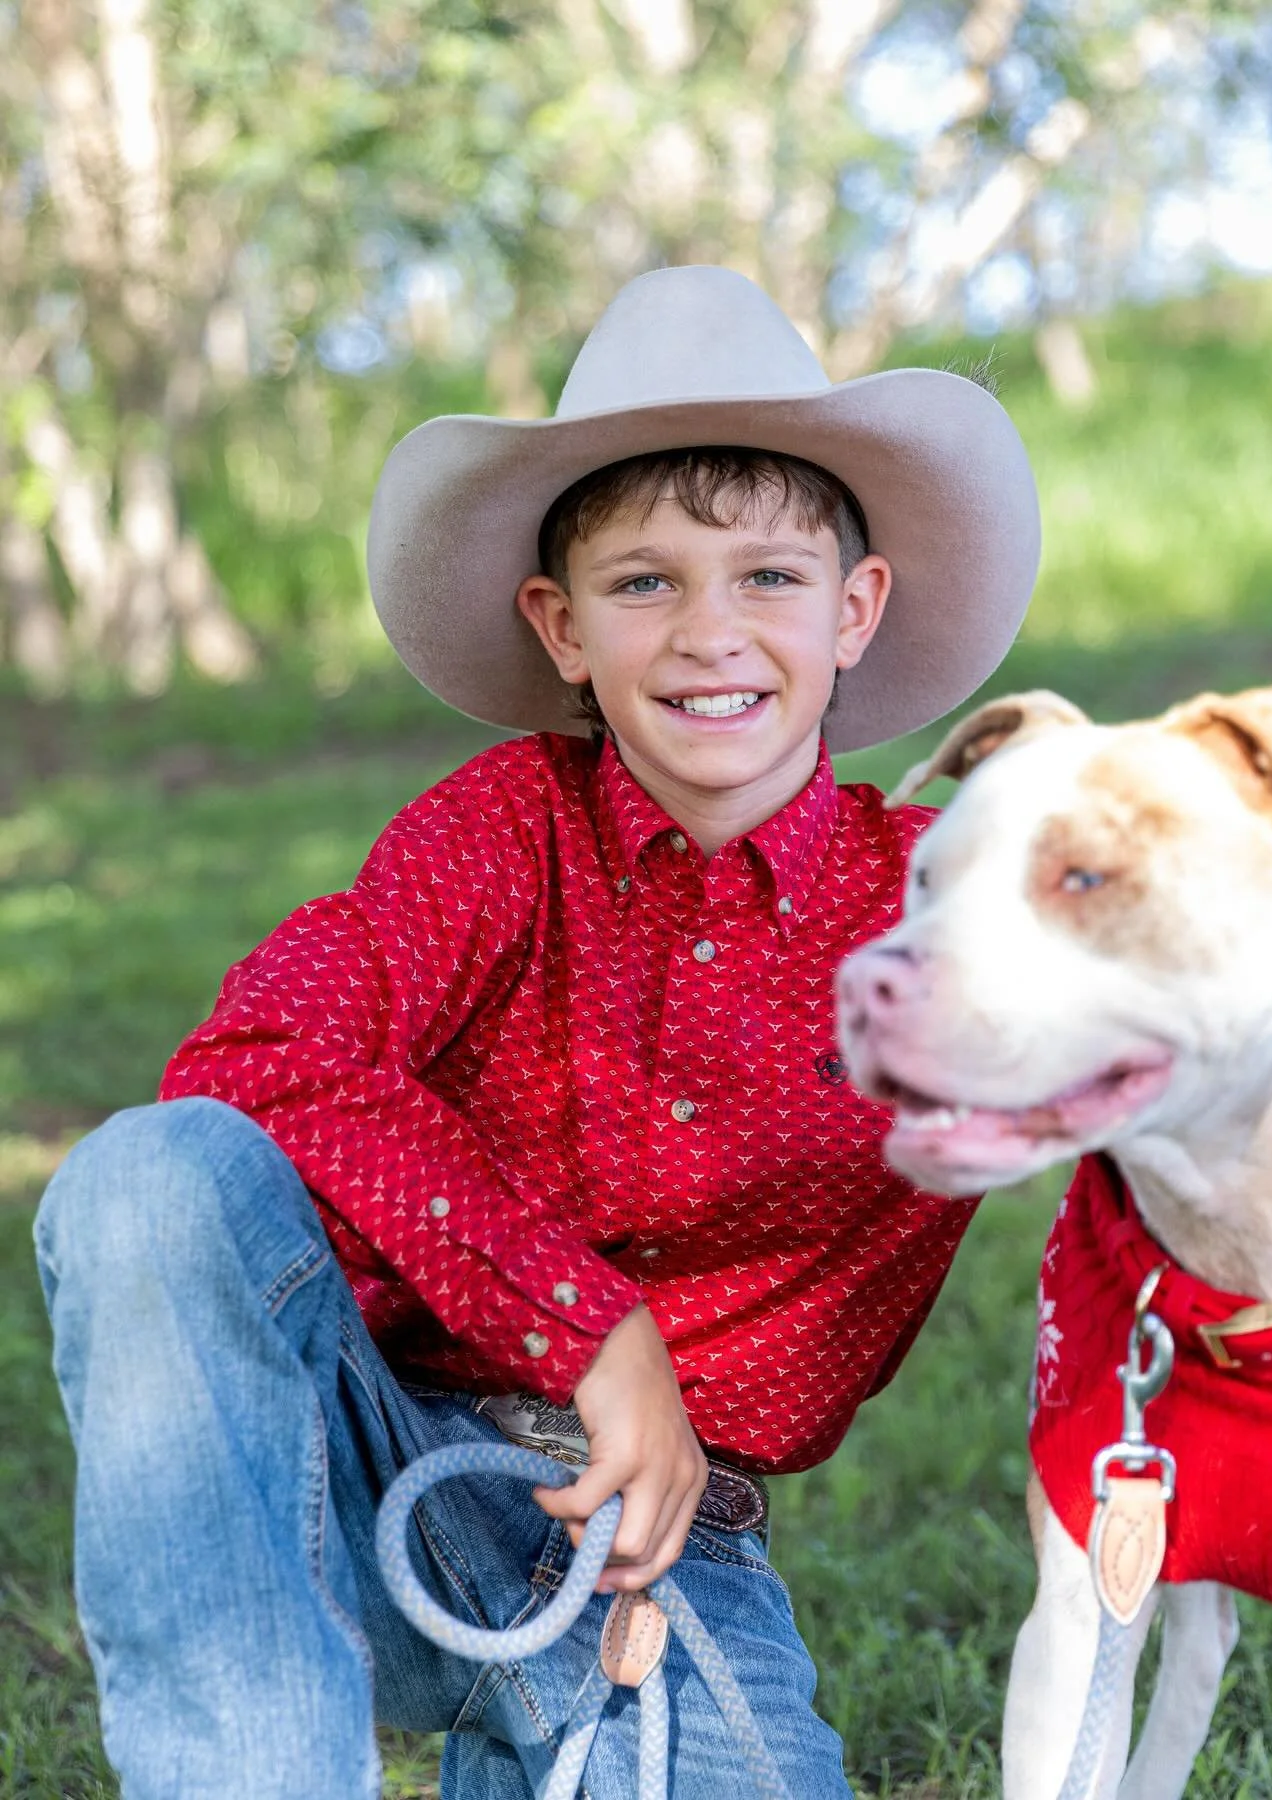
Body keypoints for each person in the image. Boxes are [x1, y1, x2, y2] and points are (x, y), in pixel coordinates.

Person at [34, 265, 1040, 1799]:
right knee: (150, 1178)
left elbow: (1265, 954)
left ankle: (547, 1735)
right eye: (646, 584)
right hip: (350, 1461)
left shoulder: (949, 902)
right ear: (561, 629)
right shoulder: (504, 831)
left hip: (657, 1542)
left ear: (856, 611)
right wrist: (594, 1329)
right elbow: (260, 1058)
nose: (712, 633)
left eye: (768, 578)